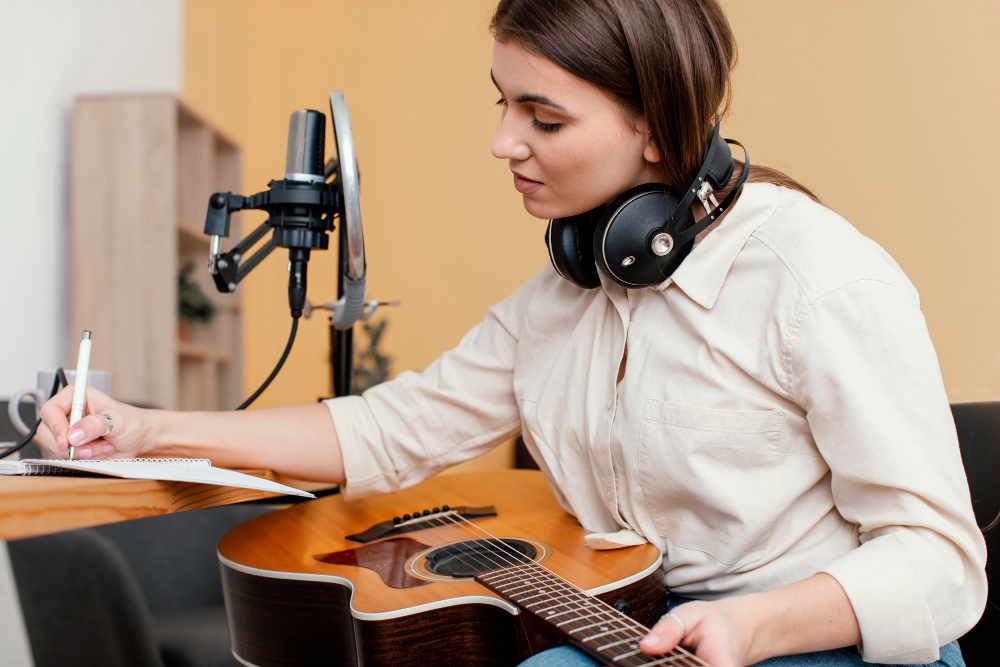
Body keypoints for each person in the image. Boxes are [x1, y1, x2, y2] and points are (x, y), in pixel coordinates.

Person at [37, 1, 985, 666]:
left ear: (656, 128)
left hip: (822, 641)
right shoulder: (556, 299)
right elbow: (378, 432)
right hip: (655, 626)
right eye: (502, 101)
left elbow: (941, 561)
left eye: (544, 115)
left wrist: (756, 627)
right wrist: (148, 429)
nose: (502, 142)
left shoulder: (820, 276)